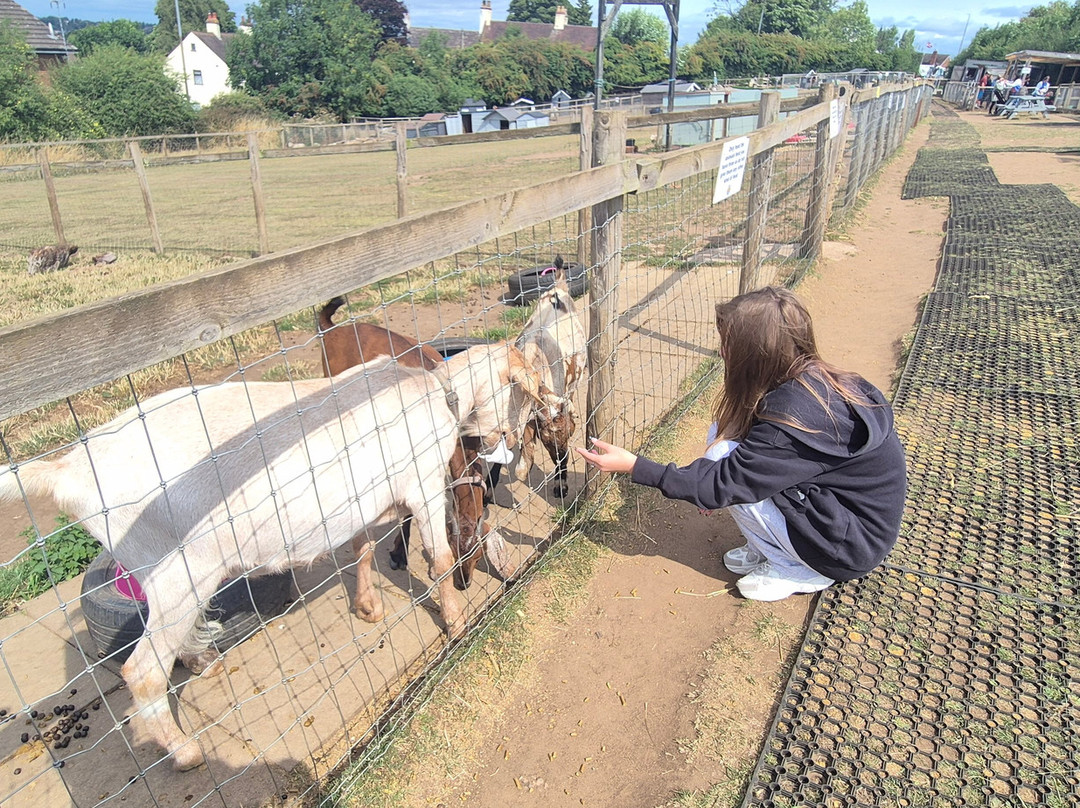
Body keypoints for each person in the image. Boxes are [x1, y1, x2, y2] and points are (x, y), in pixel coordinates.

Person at [576, 287, 907, 602]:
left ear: (757, 352)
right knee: (724, 436)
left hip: (846, 551)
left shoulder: (791, 425)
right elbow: (729, 468)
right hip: (845, 521)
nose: (722, 351)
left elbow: (721, 484)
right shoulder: (819, 382)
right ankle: (775, 546)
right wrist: (707, 484)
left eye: (729, 344)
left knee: (727, 474)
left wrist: (635, 466)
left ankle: (801, 569)